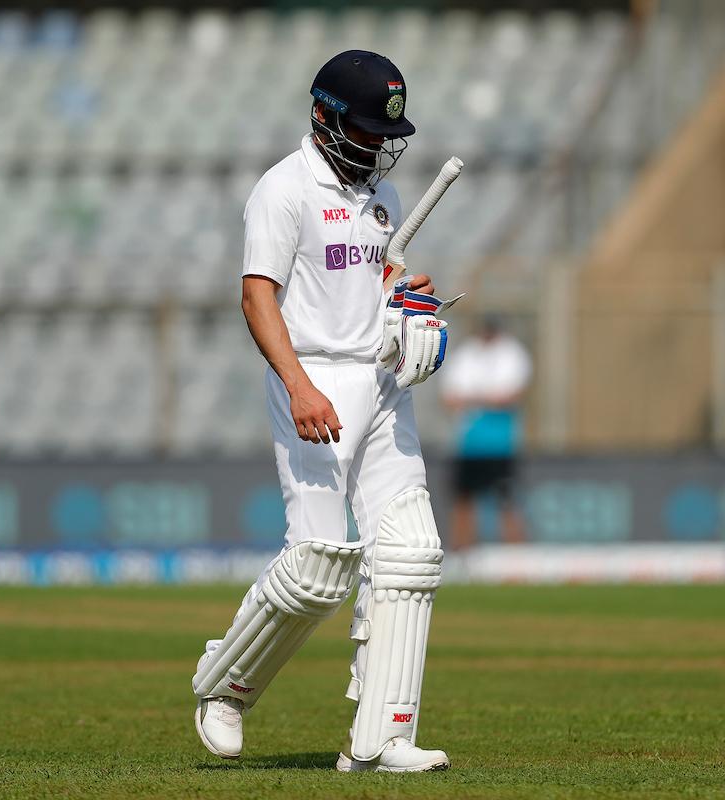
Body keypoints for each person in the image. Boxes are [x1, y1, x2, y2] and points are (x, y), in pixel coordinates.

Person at [190, 50, 453, 773]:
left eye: (384, 132)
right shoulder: (283, 189)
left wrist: (405, 297)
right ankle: (223, 687)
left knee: (410, 552)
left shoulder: (385, 199)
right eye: (364, 129)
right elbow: (256, 295)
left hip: (380, 384)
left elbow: (377, 277)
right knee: (316, 568)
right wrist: (298, 385)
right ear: (323, 115)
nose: (376, 143)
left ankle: (382, 739)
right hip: (316, 379)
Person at [441, 315, 532, 550]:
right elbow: (451, 398)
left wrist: (473, 399)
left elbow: (509, 396)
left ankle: (516, 558)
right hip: (468, 443)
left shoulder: (511, 353)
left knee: (508, 502)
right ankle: (462, 555)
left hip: (500, 443)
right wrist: (487, 398)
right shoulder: (466, 355)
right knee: (463, 501)